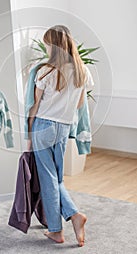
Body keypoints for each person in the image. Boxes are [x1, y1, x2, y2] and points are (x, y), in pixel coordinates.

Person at [27, 25, 93, 247]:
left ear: (53, 46)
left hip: (43, 127)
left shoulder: (45, 71)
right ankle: (62, 225)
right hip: (64, 128)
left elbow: (35, 105)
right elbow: (81, 104)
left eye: (47, 43)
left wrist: (28, 133)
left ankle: (67, 221)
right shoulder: (82, 71)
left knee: (48, 179)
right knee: (56, 178)